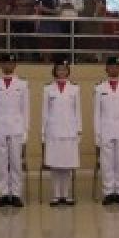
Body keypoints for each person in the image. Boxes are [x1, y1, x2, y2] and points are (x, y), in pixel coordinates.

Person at [0, 53, 29, 207]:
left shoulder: (22, 84)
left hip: (17, 127)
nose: (8, 66)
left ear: (15, 65)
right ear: (0, 65)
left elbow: (25, 109)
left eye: (11, 63)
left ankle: (16, 193)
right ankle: (4, 193)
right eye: (5, 63)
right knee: (0, 163)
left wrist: (25, 130)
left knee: (16, 162)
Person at [94, 56, 119, 206]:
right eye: (111, 67)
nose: (114, 69)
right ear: (106, 69)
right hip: (106, 130)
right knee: (106, 163)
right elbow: (97, 113)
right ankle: (108, 192)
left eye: (117, 67)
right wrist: (97, 133)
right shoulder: (99, 88)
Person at [42, 59, 81, 206]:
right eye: (59, 69)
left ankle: (66, 194)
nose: (62, 72)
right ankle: (56, 195)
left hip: (70, 131)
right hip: (53, 131)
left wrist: (79, 131)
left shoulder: (75, 89)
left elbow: (77, 112)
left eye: (64, 69)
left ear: (68, 71)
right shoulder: (48, 89)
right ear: (55, 71)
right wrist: (43, 132)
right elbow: (45, 112)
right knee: (55, 165)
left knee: (67, 165)